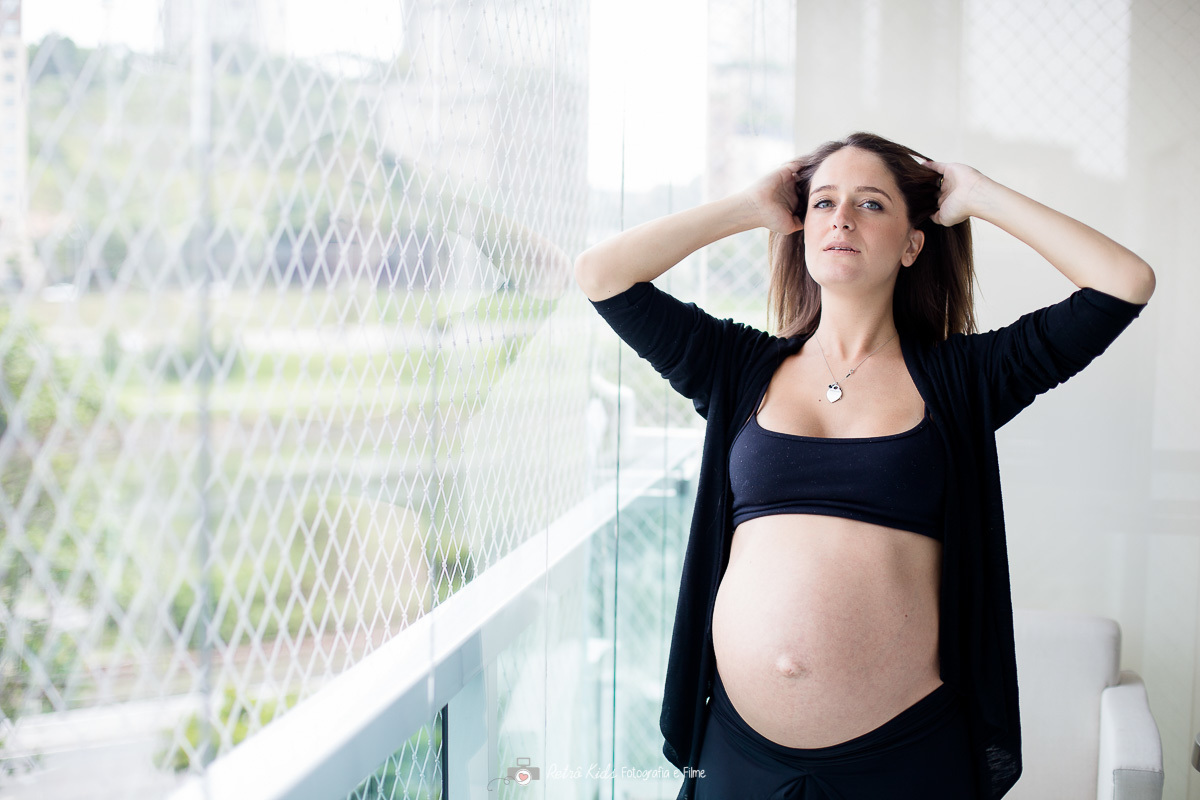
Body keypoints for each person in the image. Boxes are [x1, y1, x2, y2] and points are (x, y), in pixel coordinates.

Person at [574, 132, 1155, 800]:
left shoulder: (965, 378)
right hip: (737, 755)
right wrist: (747, 207)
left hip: (901, 763)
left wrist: (981, 195)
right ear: (801, 229)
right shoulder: (735, 367)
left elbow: (1124, 282)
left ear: (913, 244)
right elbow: (602, 275)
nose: (842, 217)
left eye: (871, 204)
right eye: (822, 203)